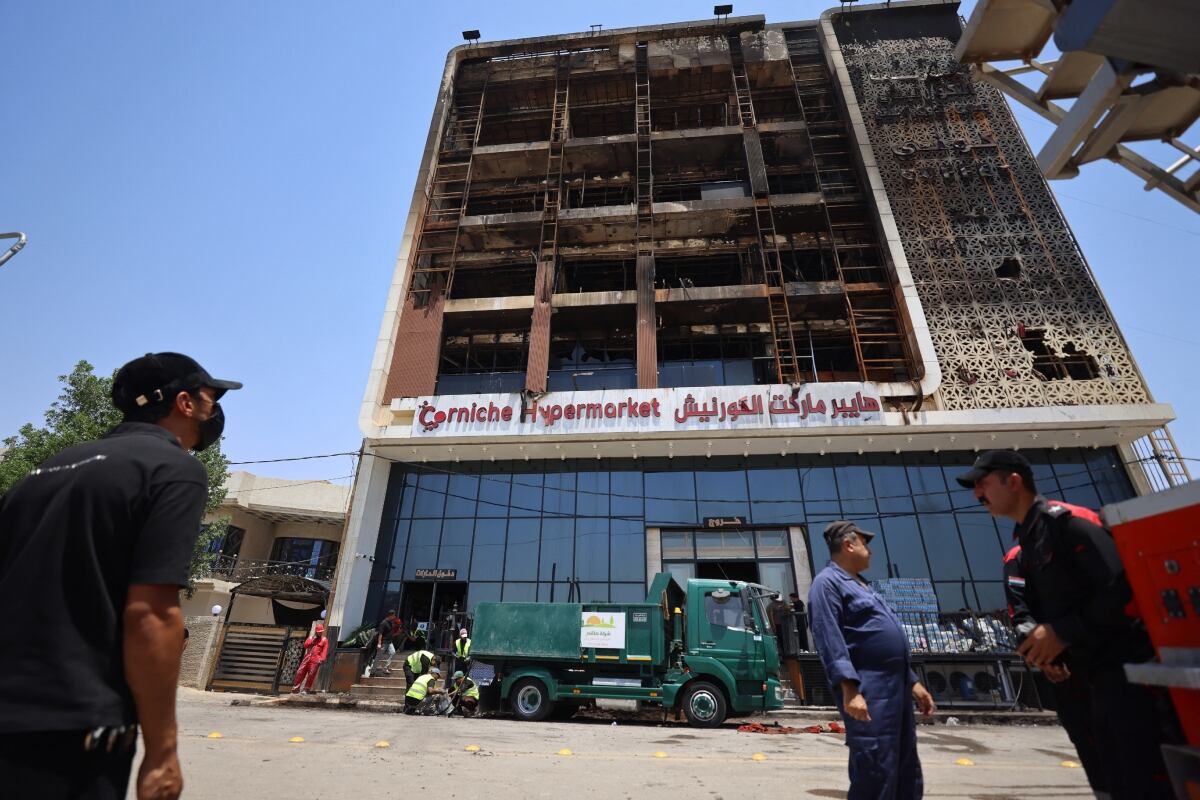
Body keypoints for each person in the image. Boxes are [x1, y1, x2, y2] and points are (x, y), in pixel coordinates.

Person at [0, 352, 241, 800]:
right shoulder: (173, 469)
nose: (215, 408)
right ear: (184, 403)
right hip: (71, 727)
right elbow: (150, 614)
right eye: (211, 396)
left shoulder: (41, 472)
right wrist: (162, 752)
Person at [958, 449, 1180, 799]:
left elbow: (1127, 587)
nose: (977, 495)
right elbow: (1034, 610)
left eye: (982, 484)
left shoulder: (1068, 523)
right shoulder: (1026, 544)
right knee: (1110, 779)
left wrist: (1063, 632)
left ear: (1013, 481)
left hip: (1128, 680)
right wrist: (1050, 653)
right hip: (1086, 682)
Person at [809, 520, 936, 800]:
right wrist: (849, 689)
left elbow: (885, 636)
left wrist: (912, 682)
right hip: (870, 688)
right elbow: (829, 639)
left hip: (896, 687)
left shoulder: (863, 586)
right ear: (848, 544)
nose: (871, 551)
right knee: (875, 767)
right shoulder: (827, 584)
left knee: (905, 766)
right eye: (865, 543)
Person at [292, 624, 329, 695]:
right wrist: (312, 640)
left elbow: (325, 650)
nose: (320, 633)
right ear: (316, 631)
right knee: (300, 672)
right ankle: (295, 688)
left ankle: (306, 689)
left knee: (311, 674)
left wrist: (322, 659)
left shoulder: (324, 640)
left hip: (316, 659)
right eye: (319, 632)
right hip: (307, 657)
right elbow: (305, 645)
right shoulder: (311, 637)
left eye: (321, 632)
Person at [374, 610, 401, 675]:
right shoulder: (383, 623)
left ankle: (385, 668)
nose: (394, 617)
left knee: (393, 652)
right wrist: (379, 643)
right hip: (384, 642)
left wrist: (397, 633)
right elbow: (380, 634)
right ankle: (373, 670)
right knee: (379, 656)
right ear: (391, 615)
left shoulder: (391, 622)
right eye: (394, 616)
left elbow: (390, 633)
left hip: (389, 642)